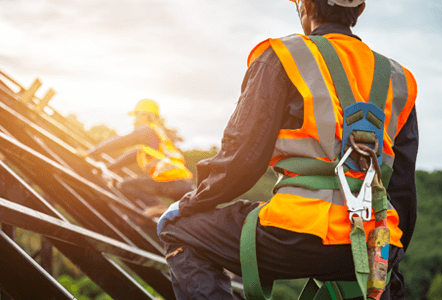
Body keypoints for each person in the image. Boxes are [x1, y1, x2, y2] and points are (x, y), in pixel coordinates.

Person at [158, 0, 418, 299]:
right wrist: (390, 255)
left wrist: (191, 203)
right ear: (358, 9)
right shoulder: (400, 80)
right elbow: (402, 190)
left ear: (306, 5)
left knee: (180, 231)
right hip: (376, 243)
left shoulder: (283, 56)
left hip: (299, 232)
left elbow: (242, 160)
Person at [85, 99, 195, 218]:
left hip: (171, 182)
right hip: (184, 185)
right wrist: (108, 167)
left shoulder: (147, 130)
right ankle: (152, 212)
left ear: (144, 115)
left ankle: (157, 206)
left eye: (136, 115)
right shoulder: (156, 137)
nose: (134, 119)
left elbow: (121, 141)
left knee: (126, 185)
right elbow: (129, 157)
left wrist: (90, 152)